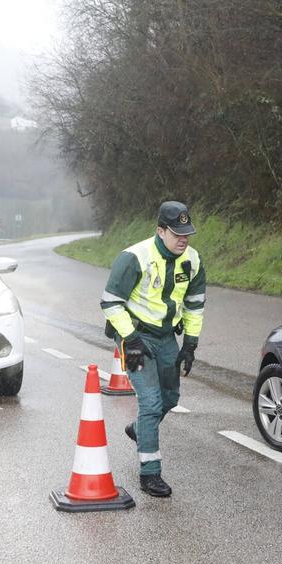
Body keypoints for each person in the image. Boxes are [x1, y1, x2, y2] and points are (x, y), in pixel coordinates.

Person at [100, 201, 206, 497]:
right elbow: (110, 302)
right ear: (160, 231)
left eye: (187, 233)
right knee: (150, 401)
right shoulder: (134, 257)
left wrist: (191, 344)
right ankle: (150, 473)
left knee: (170, 397)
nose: (183, 239)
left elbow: (195, 306)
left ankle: (139, 430)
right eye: (176, 233)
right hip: (134, 337)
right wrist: (130, 337)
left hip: (166, 338)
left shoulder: (193, 260)